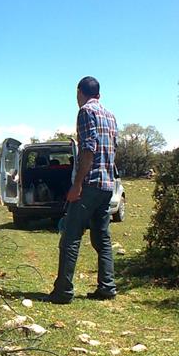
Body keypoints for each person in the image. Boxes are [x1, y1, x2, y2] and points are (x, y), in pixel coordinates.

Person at [48, 76, 118, 304]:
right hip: (108, 185)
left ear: (80, 93)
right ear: (99, 94)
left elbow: (89, 149)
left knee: (70, 237)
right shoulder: (110, 116)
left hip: (90, 184)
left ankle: (63, 291)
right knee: (102, 239)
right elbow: (111, 149)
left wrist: (77, 185)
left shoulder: (86, 112)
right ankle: (107, 287)